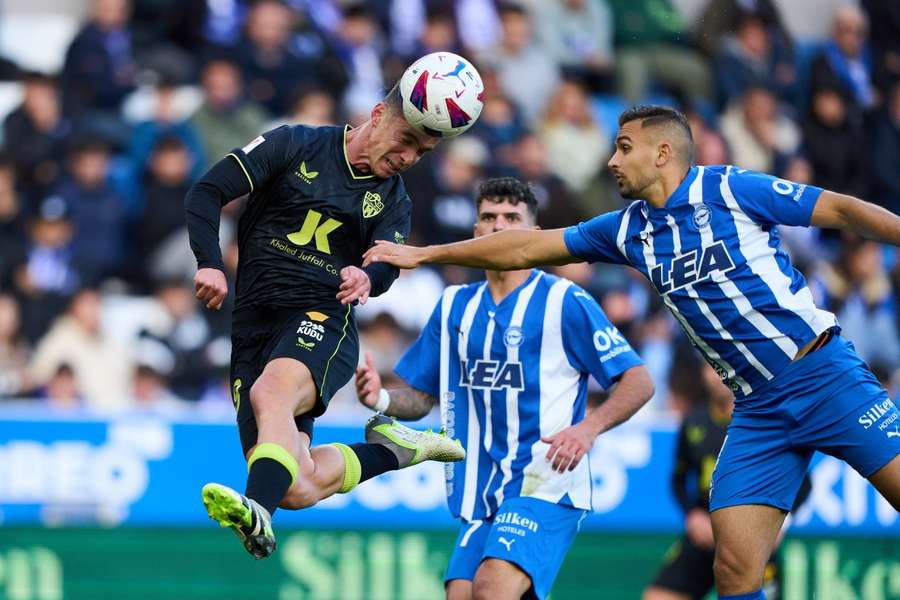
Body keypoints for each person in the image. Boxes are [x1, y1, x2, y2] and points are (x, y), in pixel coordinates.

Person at [363, 105, 900, 598]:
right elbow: (526, 245)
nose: (611, 160)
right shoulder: (626, 231)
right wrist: (426, 253)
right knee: (734, 568)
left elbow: (842, 211)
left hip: (824, 375)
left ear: (661, 153)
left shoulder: (731, 189)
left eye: (623, 147)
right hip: (757, 409)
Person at [185, 74, 465, 560]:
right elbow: (207, 191)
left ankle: (257, 511)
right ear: (377, 116)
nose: (408, 158)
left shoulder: (393, 201)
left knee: (269, 394)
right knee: (295, 485)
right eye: (405, 141)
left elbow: (385, 266)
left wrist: (368, 279)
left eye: (421, 152)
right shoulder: (294, 144)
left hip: (320, 318)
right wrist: (209, 260)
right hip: (252, 325)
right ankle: (396, 450)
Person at [356, 177, 654, 600]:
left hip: (544, 481)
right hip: (479, 490)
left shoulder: (565, 302)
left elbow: (638, 380)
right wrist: (380, 398)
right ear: (475, 232)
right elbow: (422, 397)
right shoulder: (455, 304)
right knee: (462, 593)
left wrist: (587, 429)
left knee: (492, 588)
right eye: (489, 218)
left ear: (534, 236)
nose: (499, 227)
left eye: (511, 218)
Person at [643, 362, 811, 600]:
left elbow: (803, 481)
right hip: (705, 531)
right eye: (708, 368)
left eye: (720, 366)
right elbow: (678, 479)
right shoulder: (694, 419)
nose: (715, 375)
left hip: (753, 532)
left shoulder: (765, 419)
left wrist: (780, 526)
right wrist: (691, 515)